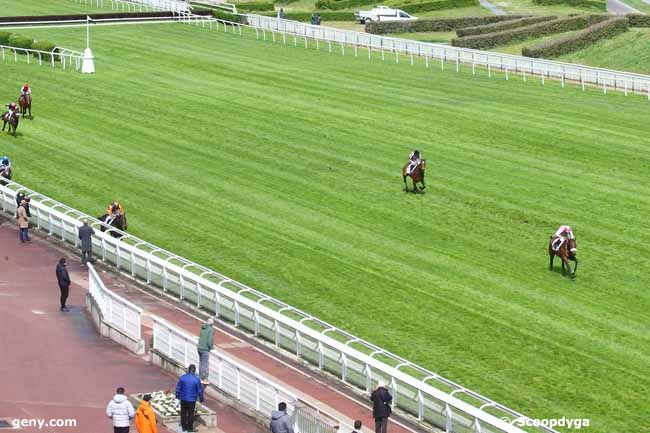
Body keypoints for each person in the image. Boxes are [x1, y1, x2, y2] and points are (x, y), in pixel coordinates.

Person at [175, 364, 204, 433]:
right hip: (192, 400)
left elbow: (178, 388)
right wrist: (201, 399)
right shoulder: (196, 379)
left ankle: (183, 427)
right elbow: (200, 390)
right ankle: (190, 428)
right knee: (191, 414)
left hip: (183, 398)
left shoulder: (182, 377)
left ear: (188, 369)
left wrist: (177, 396)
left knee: (183, 413)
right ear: (194, 371)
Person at [197, 318, 214, 384]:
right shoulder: (210, 329)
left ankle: (200, 376)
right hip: (205, 349)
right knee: (205, 364)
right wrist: (211, 347)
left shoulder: (202, 327)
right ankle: (203, 378)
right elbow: (209, 340)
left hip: (199, 348)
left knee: (201, 363)